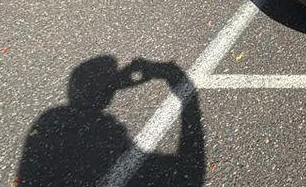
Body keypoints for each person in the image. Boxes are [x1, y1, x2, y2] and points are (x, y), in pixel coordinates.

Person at [16, 56, 204, 186]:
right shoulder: (94, 134)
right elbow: (189, 174)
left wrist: (111, 85)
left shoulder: (51, 119)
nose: (118, 125)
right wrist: (181, 85)